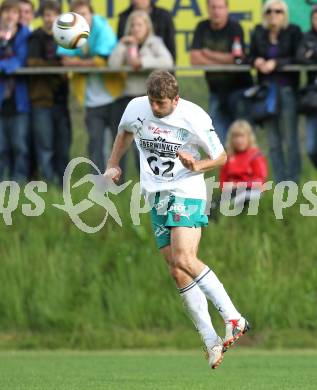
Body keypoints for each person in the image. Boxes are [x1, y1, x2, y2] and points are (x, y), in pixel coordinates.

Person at [105, 70, 250, 370]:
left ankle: (234, 318)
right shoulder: (136, 108)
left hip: (187, 190)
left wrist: (197, 164)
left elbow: (221, 157)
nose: (155, 108)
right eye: (152, 102)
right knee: (176, 269)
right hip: (155, 194)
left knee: (184, 257)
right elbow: (125, 133)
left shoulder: (193, 117)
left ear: (176, 99)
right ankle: (211, 340)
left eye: (161, 103)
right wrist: (113, 164)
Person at [57, 0, 125, 173]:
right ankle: (99, 185)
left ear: (92, 14)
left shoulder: (103, 28)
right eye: (78, 16)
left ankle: (118, 184)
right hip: (90, 101)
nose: (82, 18)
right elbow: (65, 60)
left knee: (116, 146)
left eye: (85, 14)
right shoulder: (70, 29)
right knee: (95, 144)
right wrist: (86, 63)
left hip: (113, 97)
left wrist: (78, 62)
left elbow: (104, 59)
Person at [109, 10, 173, 172]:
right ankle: (117, 182)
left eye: (140, 25)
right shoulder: (125, 43)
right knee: (123, 141)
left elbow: (168, 62)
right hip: (127, 99)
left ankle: (149, 179)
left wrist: (142, 62)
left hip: (149, 100)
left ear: (147, 27)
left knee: (147, 144)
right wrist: (122, 46)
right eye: (132, 25)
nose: (136, 28)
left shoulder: (154, 43)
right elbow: (112, 65)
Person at [249, 0, 302, 183]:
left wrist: (276, 63)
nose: (274, 14)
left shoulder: (293, 31)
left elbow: (298, 56)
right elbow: (249, 55)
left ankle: (293, 182)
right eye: (270, 10)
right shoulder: (259, 32)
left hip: (286, 90)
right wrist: (256, 61)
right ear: (265, 13)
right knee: (273, 141)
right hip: (266, 93)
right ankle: (280, 182)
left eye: (278, 11)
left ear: (284, 14)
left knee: (290, 139)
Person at [190, 0, 253, 144]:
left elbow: (236, 59)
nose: (216, 11)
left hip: (239, 91)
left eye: (220, 7)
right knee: (218, 140)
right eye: (213, 7)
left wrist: (208, 53)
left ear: (226, 9)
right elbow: (194, 59)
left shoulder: (235, 28)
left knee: (242, 138)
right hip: (216, 92)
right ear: (207, 8)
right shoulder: (202, 27)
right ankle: (228, 167)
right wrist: (222, 60)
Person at [27, 0, 71, 185]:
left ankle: (62, 185)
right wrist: (59, 66)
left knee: (62, 145)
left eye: (53, 14)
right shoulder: (35, 37)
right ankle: (48, 184)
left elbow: (72, 60)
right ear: (41, 17)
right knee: (45, 147)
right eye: (46, 15)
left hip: (61, 100)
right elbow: (33, 63)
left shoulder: (66, 37)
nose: (49, 18)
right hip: (41, 101)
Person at [0, 0, 30, 182]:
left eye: (13, 12)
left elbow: (19, 61)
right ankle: (4, 182)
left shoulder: (25, 36)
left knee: (20, 146)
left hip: (19, 99)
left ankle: (19, 181)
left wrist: (2, 65)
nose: (9, 16)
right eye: (6, 12)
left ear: (19, 16)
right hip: (2, 99)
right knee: (2, 147)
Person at [220, 120, 268, 210]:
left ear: (249, 137)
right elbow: (223, 183)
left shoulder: (255, 156)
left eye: (242, 136)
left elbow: (260, 181)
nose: (239, 140)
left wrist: (238, 185)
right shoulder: (228, 157)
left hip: (251, 191)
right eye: (235, 137)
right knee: (212, 207)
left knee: (244, 198)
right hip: (232, 193)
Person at [296, 6, 317, 168]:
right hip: (313, 99)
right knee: (311, 148)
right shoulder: (306, 37)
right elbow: (301, 57)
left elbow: (308, 56)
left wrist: (313, 53)